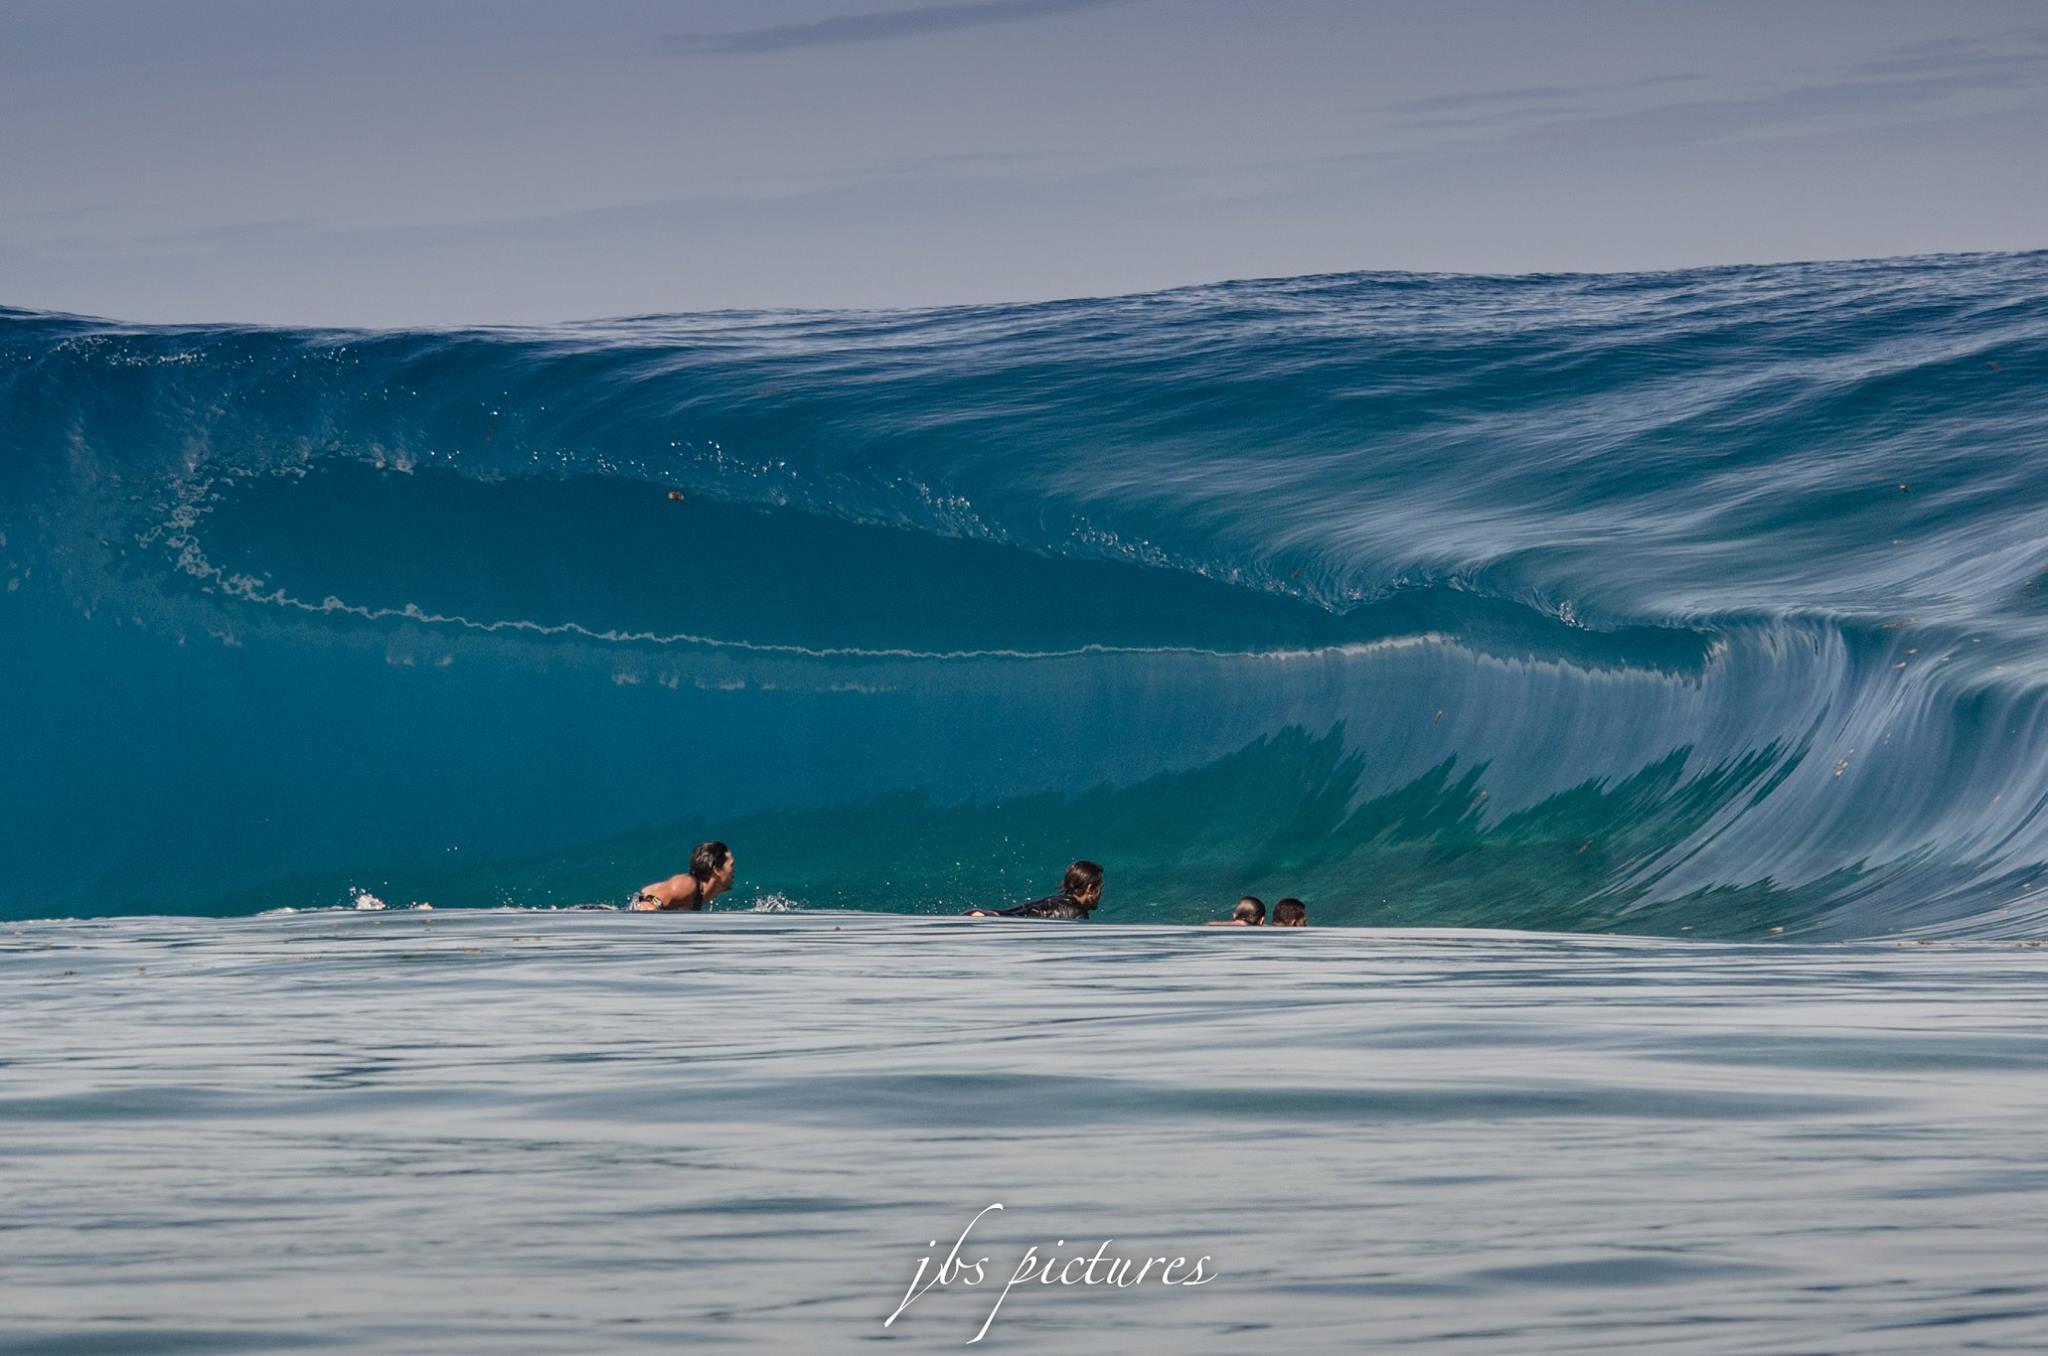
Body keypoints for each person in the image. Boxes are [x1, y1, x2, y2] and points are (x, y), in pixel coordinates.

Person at [965, 860, 1104, 920]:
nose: (1101, 894)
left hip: (987, 914)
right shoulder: (1077, 913)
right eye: (1100, 888)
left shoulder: (1055, 900)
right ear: (1090, 888)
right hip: (991, 919)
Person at [631, 841, 736, 911]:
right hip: (642, 903)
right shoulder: (687, 884)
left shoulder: (701, 893)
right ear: (717, 869)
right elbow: (650, 903)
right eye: (731, 865)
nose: (733, 870)